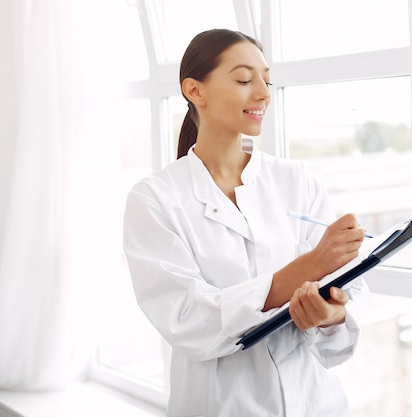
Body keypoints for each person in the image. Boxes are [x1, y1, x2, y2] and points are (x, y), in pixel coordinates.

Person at [123, 28, 370, 417]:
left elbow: (348, 305)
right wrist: (308, 268)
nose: (263, 93)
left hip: (316, 404)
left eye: (267, 80)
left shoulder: (296, 180)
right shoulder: (154, 199)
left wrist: (331, 315)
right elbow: (188, 321)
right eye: (243, 79)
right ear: (195, 90)